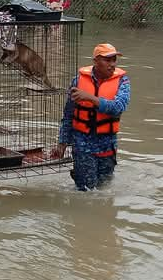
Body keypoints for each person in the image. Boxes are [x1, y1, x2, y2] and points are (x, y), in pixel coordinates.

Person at [52, 43, 131, 191]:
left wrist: (90, 97)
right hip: (83, 143)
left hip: (108, 144)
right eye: (107, 60)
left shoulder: (123, 81)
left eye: (114, 60)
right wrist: (62, 142)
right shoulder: (78, 81)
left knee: (105, 188)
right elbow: (69, 114)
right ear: (95, 61)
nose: (112, 65)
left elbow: (118, 107)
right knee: (86, 190)